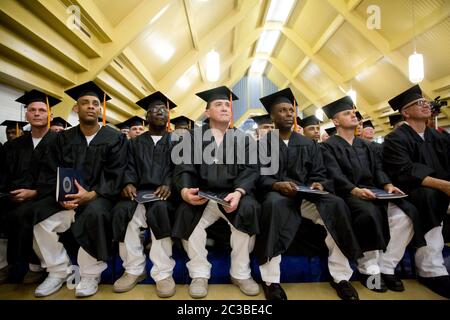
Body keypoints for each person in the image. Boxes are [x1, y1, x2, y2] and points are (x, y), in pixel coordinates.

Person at [255, 88, 362, 300]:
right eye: (282, 111)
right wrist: (276, 185)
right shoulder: (261, 145)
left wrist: (319, 184)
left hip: (305, 197)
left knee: (336, 204)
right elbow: (259, 177)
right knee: (273, 206)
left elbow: (320, 173)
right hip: (277, 195)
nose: (288, 114)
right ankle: (271, 280)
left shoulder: (308, 144)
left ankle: (340, 277)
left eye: (290, 110)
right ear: (273, 116)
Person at [32, 81, 128, 298]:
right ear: (76, 108)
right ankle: (58, 271)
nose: (90, 106)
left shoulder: (114, 138)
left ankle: (89, 275)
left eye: (95, 103)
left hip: (99, 195)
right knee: (38, 215)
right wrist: (61, 196)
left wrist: (92, 194)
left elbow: (117, 173)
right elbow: (50, 171)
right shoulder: (62, 139)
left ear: (100, 109)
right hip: (66, 198)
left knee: (95, 214)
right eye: (85, 103)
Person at [321, 96, 424, 293]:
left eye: (354, 112)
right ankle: (368, 269)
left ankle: (386, 265)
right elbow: (333, 173)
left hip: (374, 191)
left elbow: (378, 169)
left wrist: (387, 185)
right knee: (370, 214)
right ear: (335, 121)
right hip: (347, 192)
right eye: (347, 113)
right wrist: (354, 189)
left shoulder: (367, 146)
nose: (353, 115)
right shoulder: (327, 146)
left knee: (407, 214)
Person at [172, 86, 261, 299]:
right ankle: (199, 273)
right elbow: (184, 167)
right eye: (218, 104)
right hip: (202, 196)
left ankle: (240, 273)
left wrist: (239, 192)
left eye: (227, 105)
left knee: (248, 210)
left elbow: (251, 169)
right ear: (207, 112)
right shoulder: (192, 138)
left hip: (231, 196)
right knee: (186, 213)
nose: (224, 108)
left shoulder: (243, 139)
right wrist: (185, 192)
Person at [383, 85, 450, 298]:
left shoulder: (438, 136)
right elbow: (406, 171)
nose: (425, 105)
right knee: (430, 196)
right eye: (418, 103)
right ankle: (430, 268)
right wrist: (443, 185)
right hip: (408, 191)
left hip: (439, 188)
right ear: (405, 112)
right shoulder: (396, 138)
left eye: (425, 102)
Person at [112, 92, 177, 297]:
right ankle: (133, 269)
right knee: (123, 211)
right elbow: (128, 167)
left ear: (168, 117)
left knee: (160, 211)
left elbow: (182, 169)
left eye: (163, 110)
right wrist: (128, 183)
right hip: (140, 194)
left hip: (166, 195)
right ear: (146, 117)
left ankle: (163, 273)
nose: (160, 112)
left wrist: (169, 184)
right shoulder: (134, 143)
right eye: (155, 110)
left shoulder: (177, 142)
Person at [1, 90, 61, 285]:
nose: (37, 113)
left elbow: (63, 176)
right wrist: (8, 194)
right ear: (26, 114)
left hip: (46, 196)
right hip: (16, 196)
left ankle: (36, 266)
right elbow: (5, 174)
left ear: (49, 115)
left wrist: (35, 192)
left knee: (27, 215)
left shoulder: (61, 143)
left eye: (42, 110)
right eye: (32, 110)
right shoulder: (13, 146)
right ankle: (4, 264)